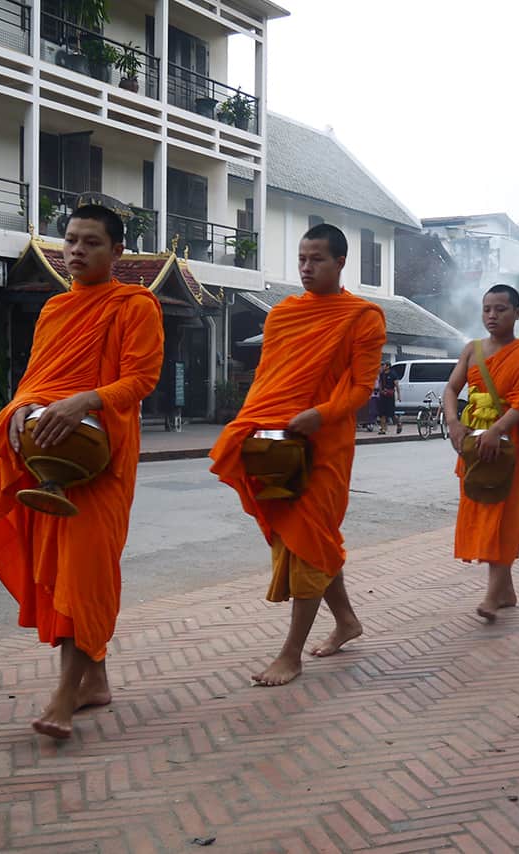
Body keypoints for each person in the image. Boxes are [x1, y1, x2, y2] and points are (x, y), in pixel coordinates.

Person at [0, 204, 164, 740]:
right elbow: (34, 381)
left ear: (117, 252)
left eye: (92, 242)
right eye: (71, 240)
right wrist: (20, 414)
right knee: (57, 567)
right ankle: (93, 682)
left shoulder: (136, 304)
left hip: (101, 458)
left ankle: (63, 696)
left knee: (85, 570)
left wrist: (84, 401)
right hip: (48, 453)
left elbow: (142, 379)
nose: (77, 251)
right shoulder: (55, 309)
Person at [210, 224, 387, 687]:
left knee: (309, 539)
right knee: (313, 541)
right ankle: (347, 620)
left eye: (318, 260)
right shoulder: (283, 314)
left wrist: (321, 414)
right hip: (276, 442)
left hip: (325, 445)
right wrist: (249, 424)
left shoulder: (362, 317)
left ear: (341, 262)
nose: (307, 268)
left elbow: (362, 388)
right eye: (302, 259)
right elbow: (268, 379)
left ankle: (291, 654)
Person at [444, 285, 519, 621]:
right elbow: (451, 388)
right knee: (480, 508)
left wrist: (497, 430)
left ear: (517, 313)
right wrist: (453, 422)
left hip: (508, 446)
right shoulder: (472, 350)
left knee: (503, 514)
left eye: (501, 309)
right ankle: (505, 590)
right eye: (487, 309)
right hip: (474, 444)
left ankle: (494, 593)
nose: (492, 315)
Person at [376, 364, 401, 434]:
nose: (382, 367)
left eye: (383, 365)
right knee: (382, 413)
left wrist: (399, 396)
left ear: (388, 366)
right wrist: (381, 391)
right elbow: (380, 383)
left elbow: (397, 385)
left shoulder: (393, 374)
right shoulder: (382, 374)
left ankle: (399, 424)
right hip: (382, 395)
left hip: (390, 396)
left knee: (391, 414)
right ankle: (383, 429)